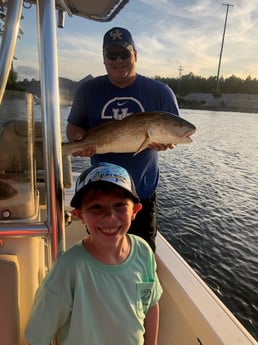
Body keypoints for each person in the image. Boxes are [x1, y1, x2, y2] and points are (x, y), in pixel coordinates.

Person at [66, 27, 180, 252]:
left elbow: (174, 132)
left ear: (135, 55)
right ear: (104, 59)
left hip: (141, 192)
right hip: (101, 190)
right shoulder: (88, 90)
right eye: (112, 55)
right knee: (102, 254)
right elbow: (74, 126)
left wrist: (167, 143)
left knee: (142, 254)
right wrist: (79, 140)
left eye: (124, 54)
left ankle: (140, 289)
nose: (118, 60)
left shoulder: (160, 92)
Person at [25, 162, 163, 345]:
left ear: (135, 211)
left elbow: (151, 304)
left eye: (120, 205)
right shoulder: (68, 268)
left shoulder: (143, 252)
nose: (109, 217)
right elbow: (37, 336)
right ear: (80, 215)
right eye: (96, 207)